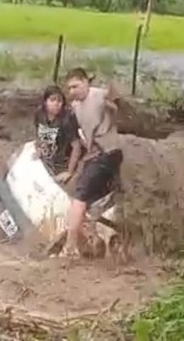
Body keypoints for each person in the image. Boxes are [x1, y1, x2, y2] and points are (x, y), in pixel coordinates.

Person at [62, 67, 124, 259]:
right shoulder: (76, 106)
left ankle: (70, 248)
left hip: (107, 154)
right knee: (87, 201)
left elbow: (115, 106)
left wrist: (113, 100)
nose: (72, 91)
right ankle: (94, 240)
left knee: (79, 198)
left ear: (86, 83)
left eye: (76, 86)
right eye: (69, 88)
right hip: (95, 155)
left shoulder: (98, 95)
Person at [33, 85, 84, 183]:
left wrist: (69, 172)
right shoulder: (40, 114)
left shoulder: (66, 120)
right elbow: (39, 132)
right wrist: (40, 147)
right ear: (45, 102)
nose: (56, 104)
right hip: (48, 155)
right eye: (52, 100)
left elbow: (76, 146)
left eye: (59, 101)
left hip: (63, 162)